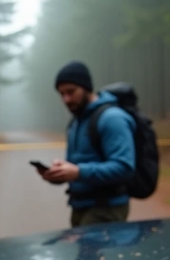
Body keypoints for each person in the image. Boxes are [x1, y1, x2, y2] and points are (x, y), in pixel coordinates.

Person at [39, 61, 136, 227]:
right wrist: (59, 174)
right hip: (80, 207)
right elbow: (77, 167)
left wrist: (78, 172)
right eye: (62, 94)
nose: (66, 99)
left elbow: (124, 167)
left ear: (87, 87)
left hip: (107, 210)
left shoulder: (112, 119)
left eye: (71, 92)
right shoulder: (77, 122)